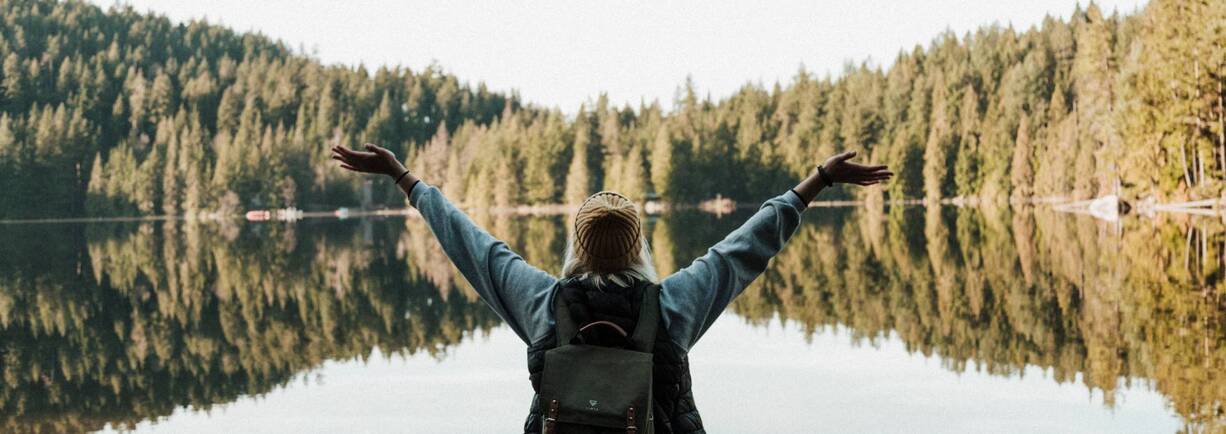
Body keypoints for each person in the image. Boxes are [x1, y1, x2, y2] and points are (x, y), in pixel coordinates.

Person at [331, 143, 891, 433]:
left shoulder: (544, 305)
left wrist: (404, 178)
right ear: (639, 248)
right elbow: (747, 246)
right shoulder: (672, 304)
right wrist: (818, 179)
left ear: (576, 247)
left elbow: (470, 244)